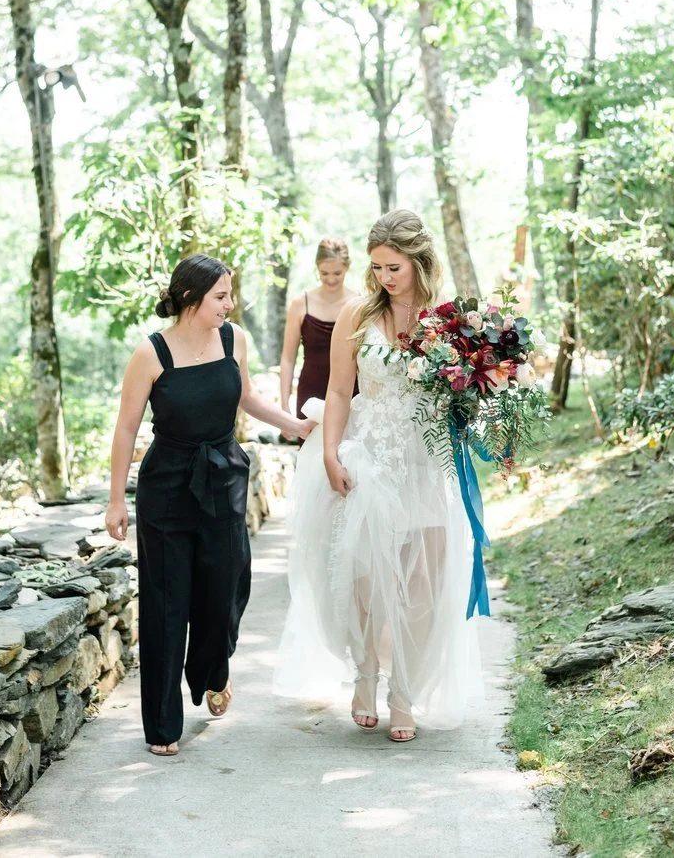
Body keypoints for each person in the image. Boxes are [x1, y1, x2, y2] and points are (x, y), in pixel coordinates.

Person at [274, 210, 481, 741]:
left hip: (427, 461)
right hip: (368, 455)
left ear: (417, 262)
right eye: (378, 267)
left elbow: (466, 390)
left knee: (422, 586)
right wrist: (329, 453)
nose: (385, 277)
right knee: (366, 579)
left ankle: (405, 691)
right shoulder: (357, 315)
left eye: (394, 267)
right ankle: (366, 674)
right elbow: (340, 391)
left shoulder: (447, 320)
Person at [106, 253, 315, 757]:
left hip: (223, 477)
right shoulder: (151, 353)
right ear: (189, 299)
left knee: (226, 588)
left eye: (230, 294)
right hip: (167, 487)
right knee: (165, 602)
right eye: (221, 295)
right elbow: (126, 428)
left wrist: (296, 425)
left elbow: (247, 398)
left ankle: (210, 672)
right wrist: (117, 499)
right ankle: (162, 724)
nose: (230, 303)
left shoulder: (233, 338)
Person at [279, 237, 358, 438]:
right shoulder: (300, 303)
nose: (331, 279)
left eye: (337, 273)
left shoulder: (359, 302)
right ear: (317, 267)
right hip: (311, 391)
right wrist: (284, 407)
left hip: (351, 392)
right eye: (324, 273)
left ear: (347, 268)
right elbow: (288, 359)